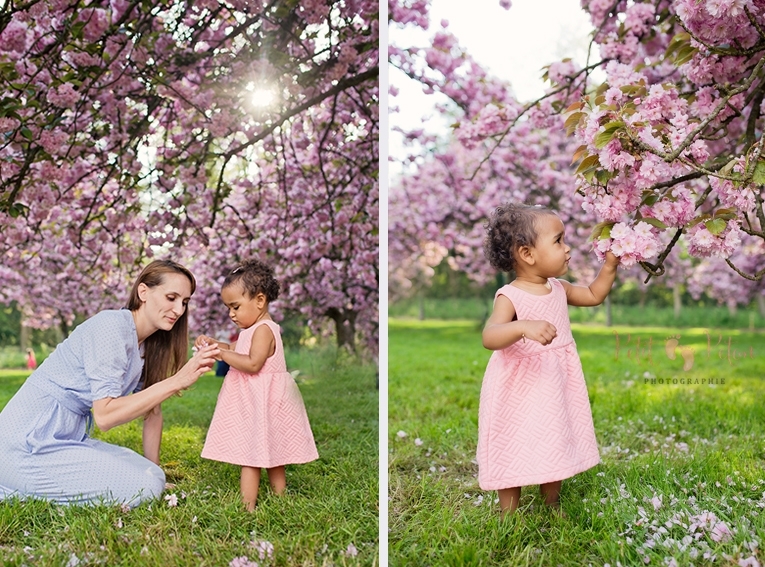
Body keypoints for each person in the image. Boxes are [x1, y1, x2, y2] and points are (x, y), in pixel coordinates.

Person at [0, 260, 220, 508]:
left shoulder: (145, 345)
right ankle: (18, 483)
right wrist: (178, 380)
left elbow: (152, 410)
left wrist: (154, 468)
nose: (179, 310)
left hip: (67, 437)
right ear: (143, 292)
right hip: (26, 440)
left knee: (152, 476)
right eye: (171, 297)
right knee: (143, 487)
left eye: (185, 302)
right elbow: (105, 416)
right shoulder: (111, 326)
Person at [477, 203, 619, 516]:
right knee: (513, 439)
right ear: (527, 254)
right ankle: (508, 511)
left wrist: (608, 268)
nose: (567, 248)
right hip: (518, 387)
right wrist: (521, 326)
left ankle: (551, 501)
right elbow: (490, 336)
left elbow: (594, 295)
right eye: (558, 241)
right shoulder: (510, 296)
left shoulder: (559, 288)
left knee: (554, 435)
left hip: (553, 384)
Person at [196, 260, 318, 511]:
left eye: (235, 306)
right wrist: (214, 345)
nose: (231, 314)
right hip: (254, 400)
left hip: (265, 400)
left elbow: (252, 363)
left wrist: (221, 355)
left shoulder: (264, 329)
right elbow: (236, 350)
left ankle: (248, 506)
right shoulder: (251, 329)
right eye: (228, 308)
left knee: (251, 456)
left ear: (260, 301)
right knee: (271, 452)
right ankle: (279, 499)